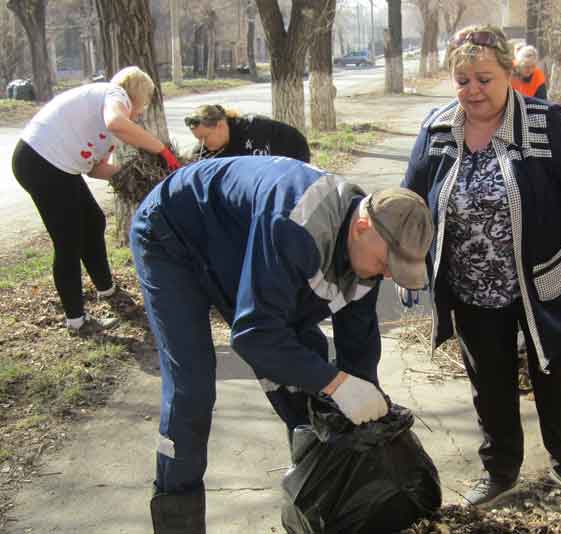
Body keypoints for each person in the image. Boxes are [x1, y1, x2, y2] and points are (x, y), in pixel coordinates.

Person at [129, 155, 434, 533]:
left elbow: (358, 342)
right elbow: (254, 334)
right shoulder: (296, 226)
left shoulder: (368, 250)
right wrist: (337, 384)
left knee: (307, 381)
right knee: (192, 388)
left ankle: (317, 503)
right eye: (385, 264)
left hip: (240, 244)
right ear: (360, 226)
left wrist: (363, 400)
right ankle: (178, 517)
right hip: (174, 235)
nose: (387, 275)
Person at [399, 25, 561, 508]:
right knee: (490, 385)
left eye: (483, 78)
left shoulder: (544, 124)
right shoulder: (437, 130)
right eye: (462, 81)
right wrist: (407, 260)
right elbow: (410, 201)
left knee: (556, 378)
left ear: (507, 74)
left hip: (545, 282)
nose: (472, 91)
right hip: (471, 286)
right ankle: (500, 470)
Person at [11, 66, 181, 334]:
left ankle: (107, 290)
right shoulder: (115, 95)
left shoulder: (106, 115)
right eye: (144, 103)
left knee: (93, 221)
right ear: (136, 95)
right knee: (69, 241)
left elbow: (96, 168)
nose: (141, 111)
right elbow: (117, 122)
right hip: (41, 163)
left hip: (55, 166)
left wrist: (136, 176)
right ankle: (77, 321)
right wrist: (160, 149)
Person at [184, 104, 310, 162]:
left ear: (220, 125)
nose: (202, 143)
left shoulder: (253, 131)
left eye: (205, 137)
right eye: (198, 139)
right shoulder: (205, 149)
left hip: (292, 157)